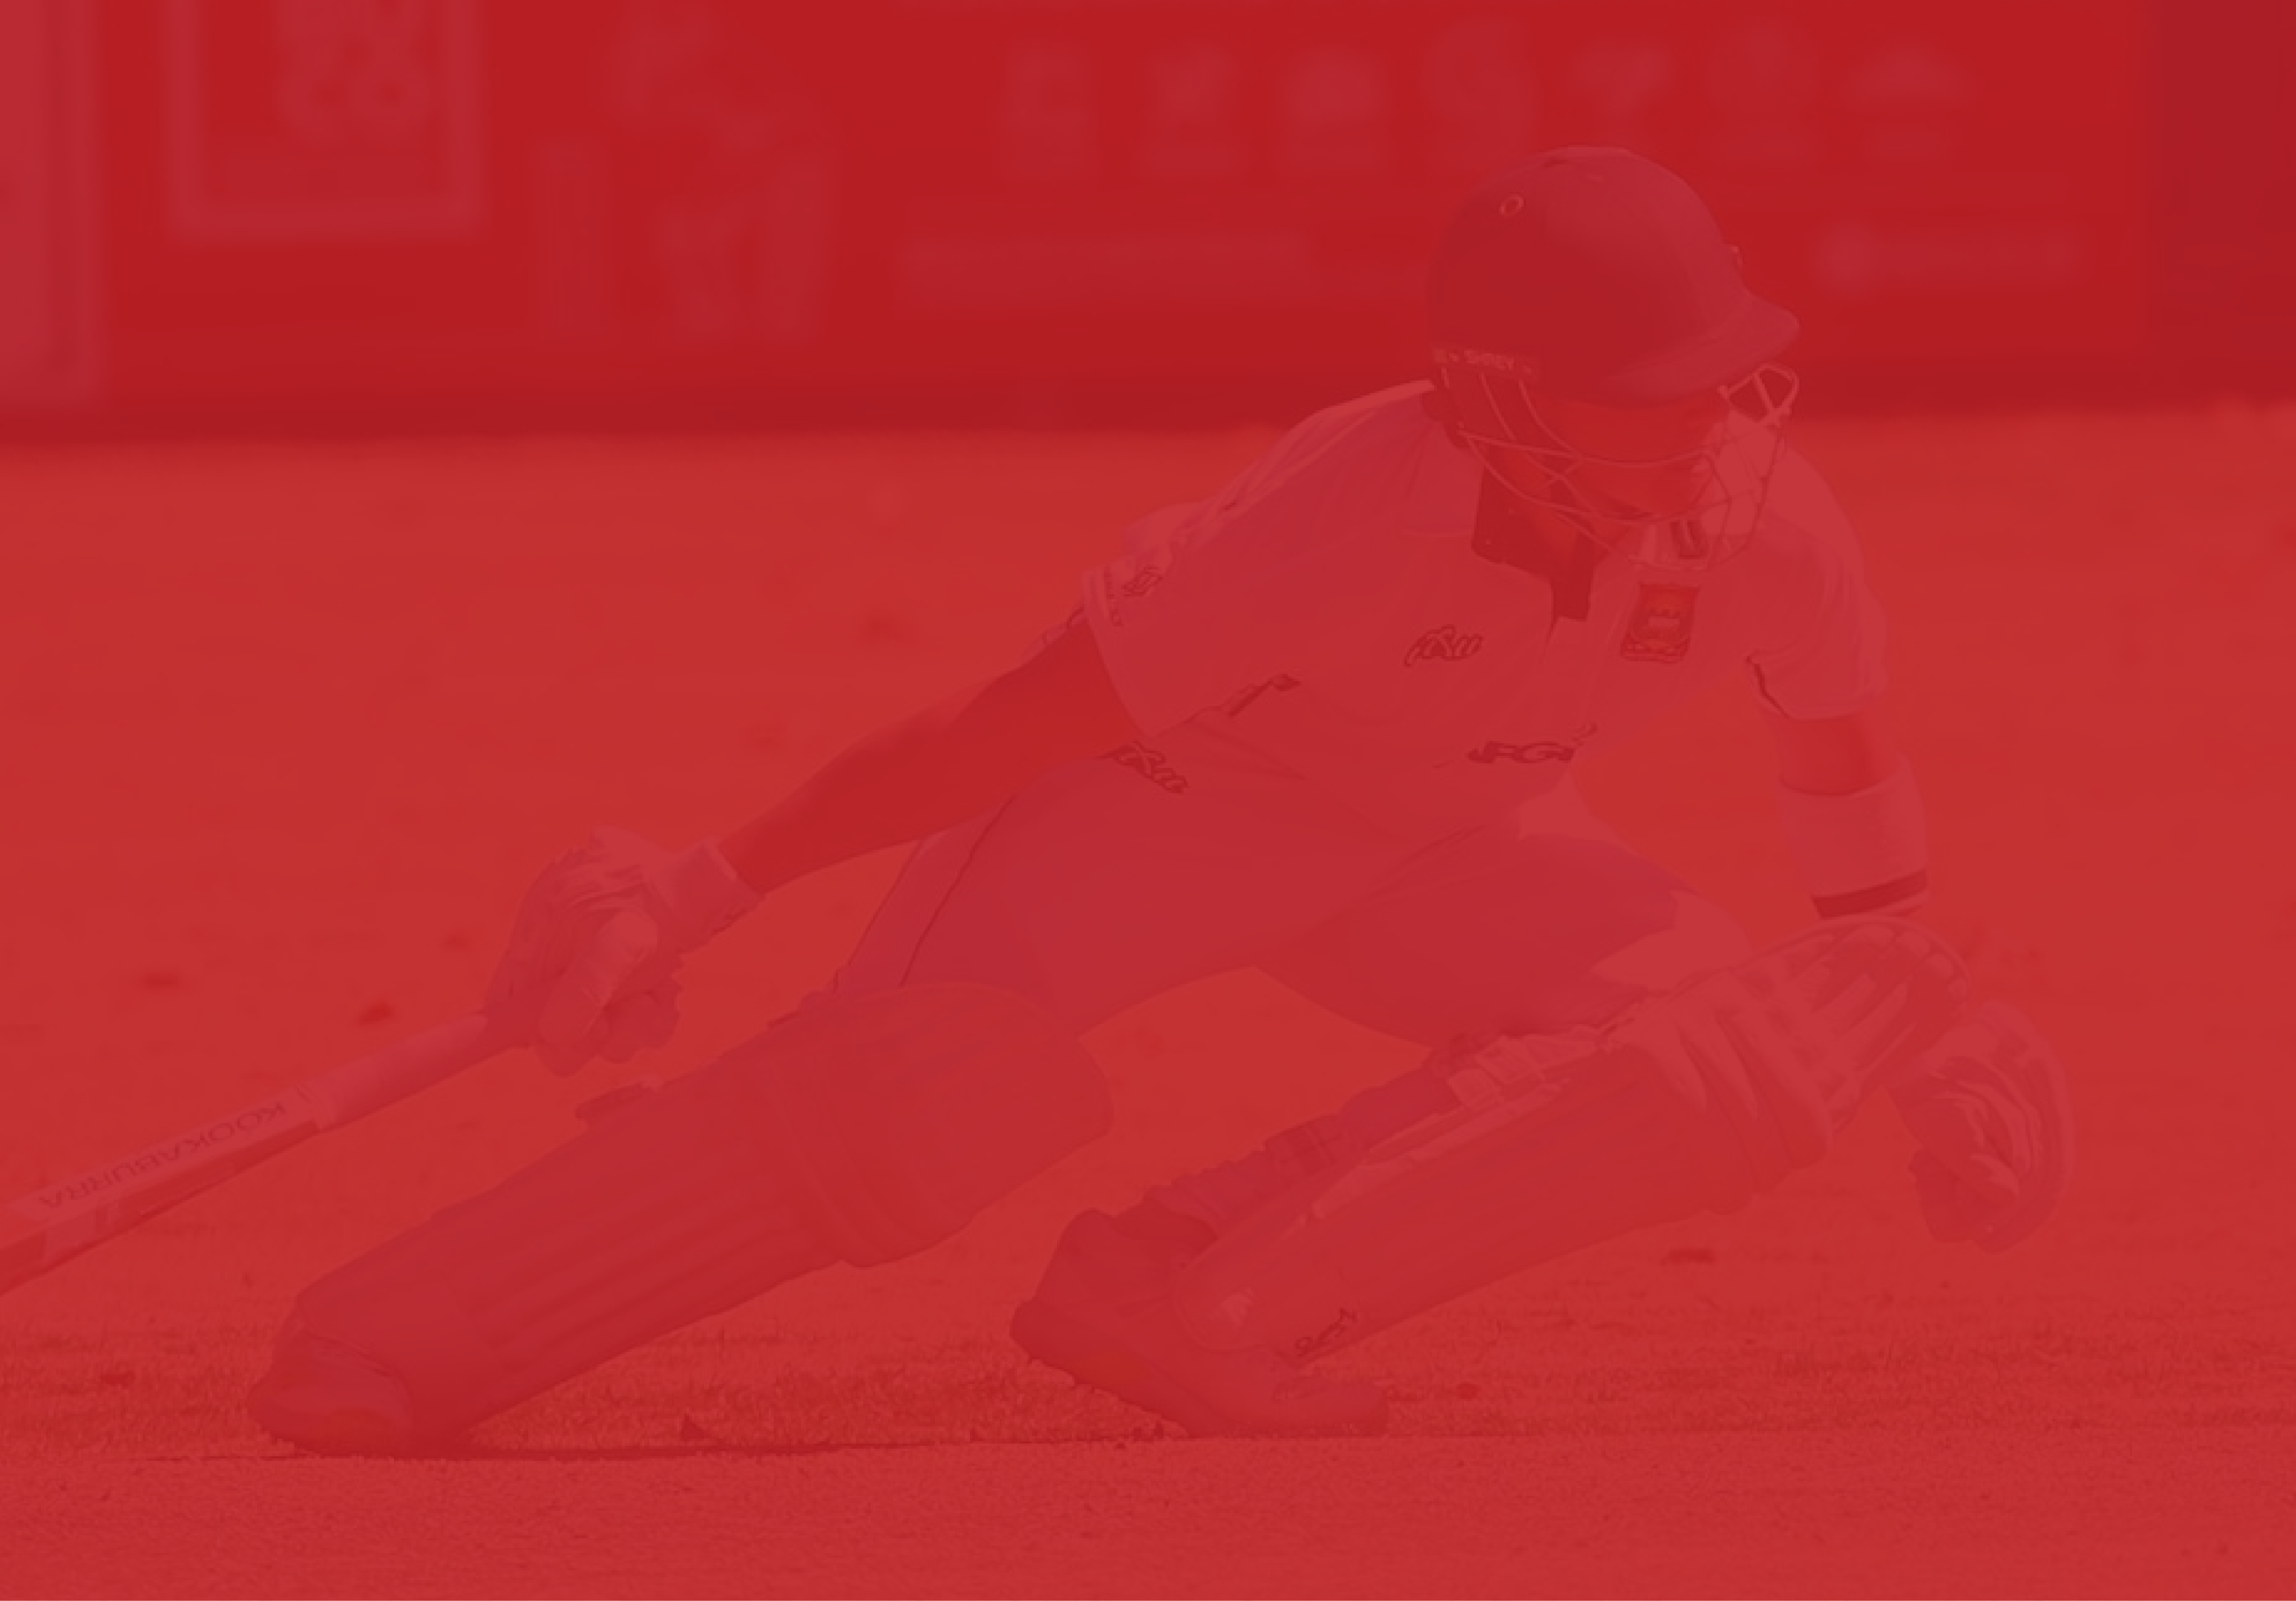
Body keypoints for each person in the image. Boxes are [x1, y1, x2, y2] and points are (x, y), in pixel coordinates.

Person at [246, 147, 2076, 1451]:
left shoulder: (1767, 523)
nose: (1714, 425)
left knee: (1697, 1036)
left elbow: (1840, 766)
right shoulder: (1341, 521)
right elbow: (1000, 725)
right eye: (1654, 394)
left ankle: (1187, 1290)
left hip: (1443, 846)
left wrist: (1920, 1017)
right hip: (1164, 813)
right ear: (1502, 395)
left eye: (1725, 377)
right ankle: (388, 1338)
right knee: (910, 1095)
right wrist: (707, 883)